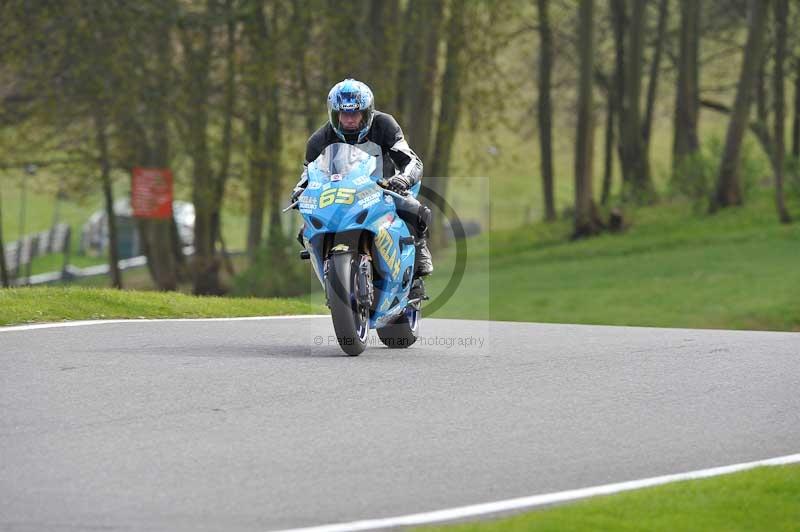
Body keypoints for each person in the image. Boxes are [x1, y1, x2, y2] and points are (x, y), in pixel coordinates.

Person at [290, 78, 433, 279]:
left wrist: (403, 179)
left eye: (355, 114)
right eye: (343, 114)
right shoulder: (319, 139)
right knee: (305, 229)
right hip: (339, 195)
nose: (349, 120)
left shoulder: (385, 125)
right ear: (334, 113)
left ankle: (419, 248)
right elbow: (307, 173)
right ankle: (329, 273)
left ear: (367, 112)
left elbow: (411, 159)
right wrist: (299, 191)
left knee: (414, 208)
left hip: (383, 189)